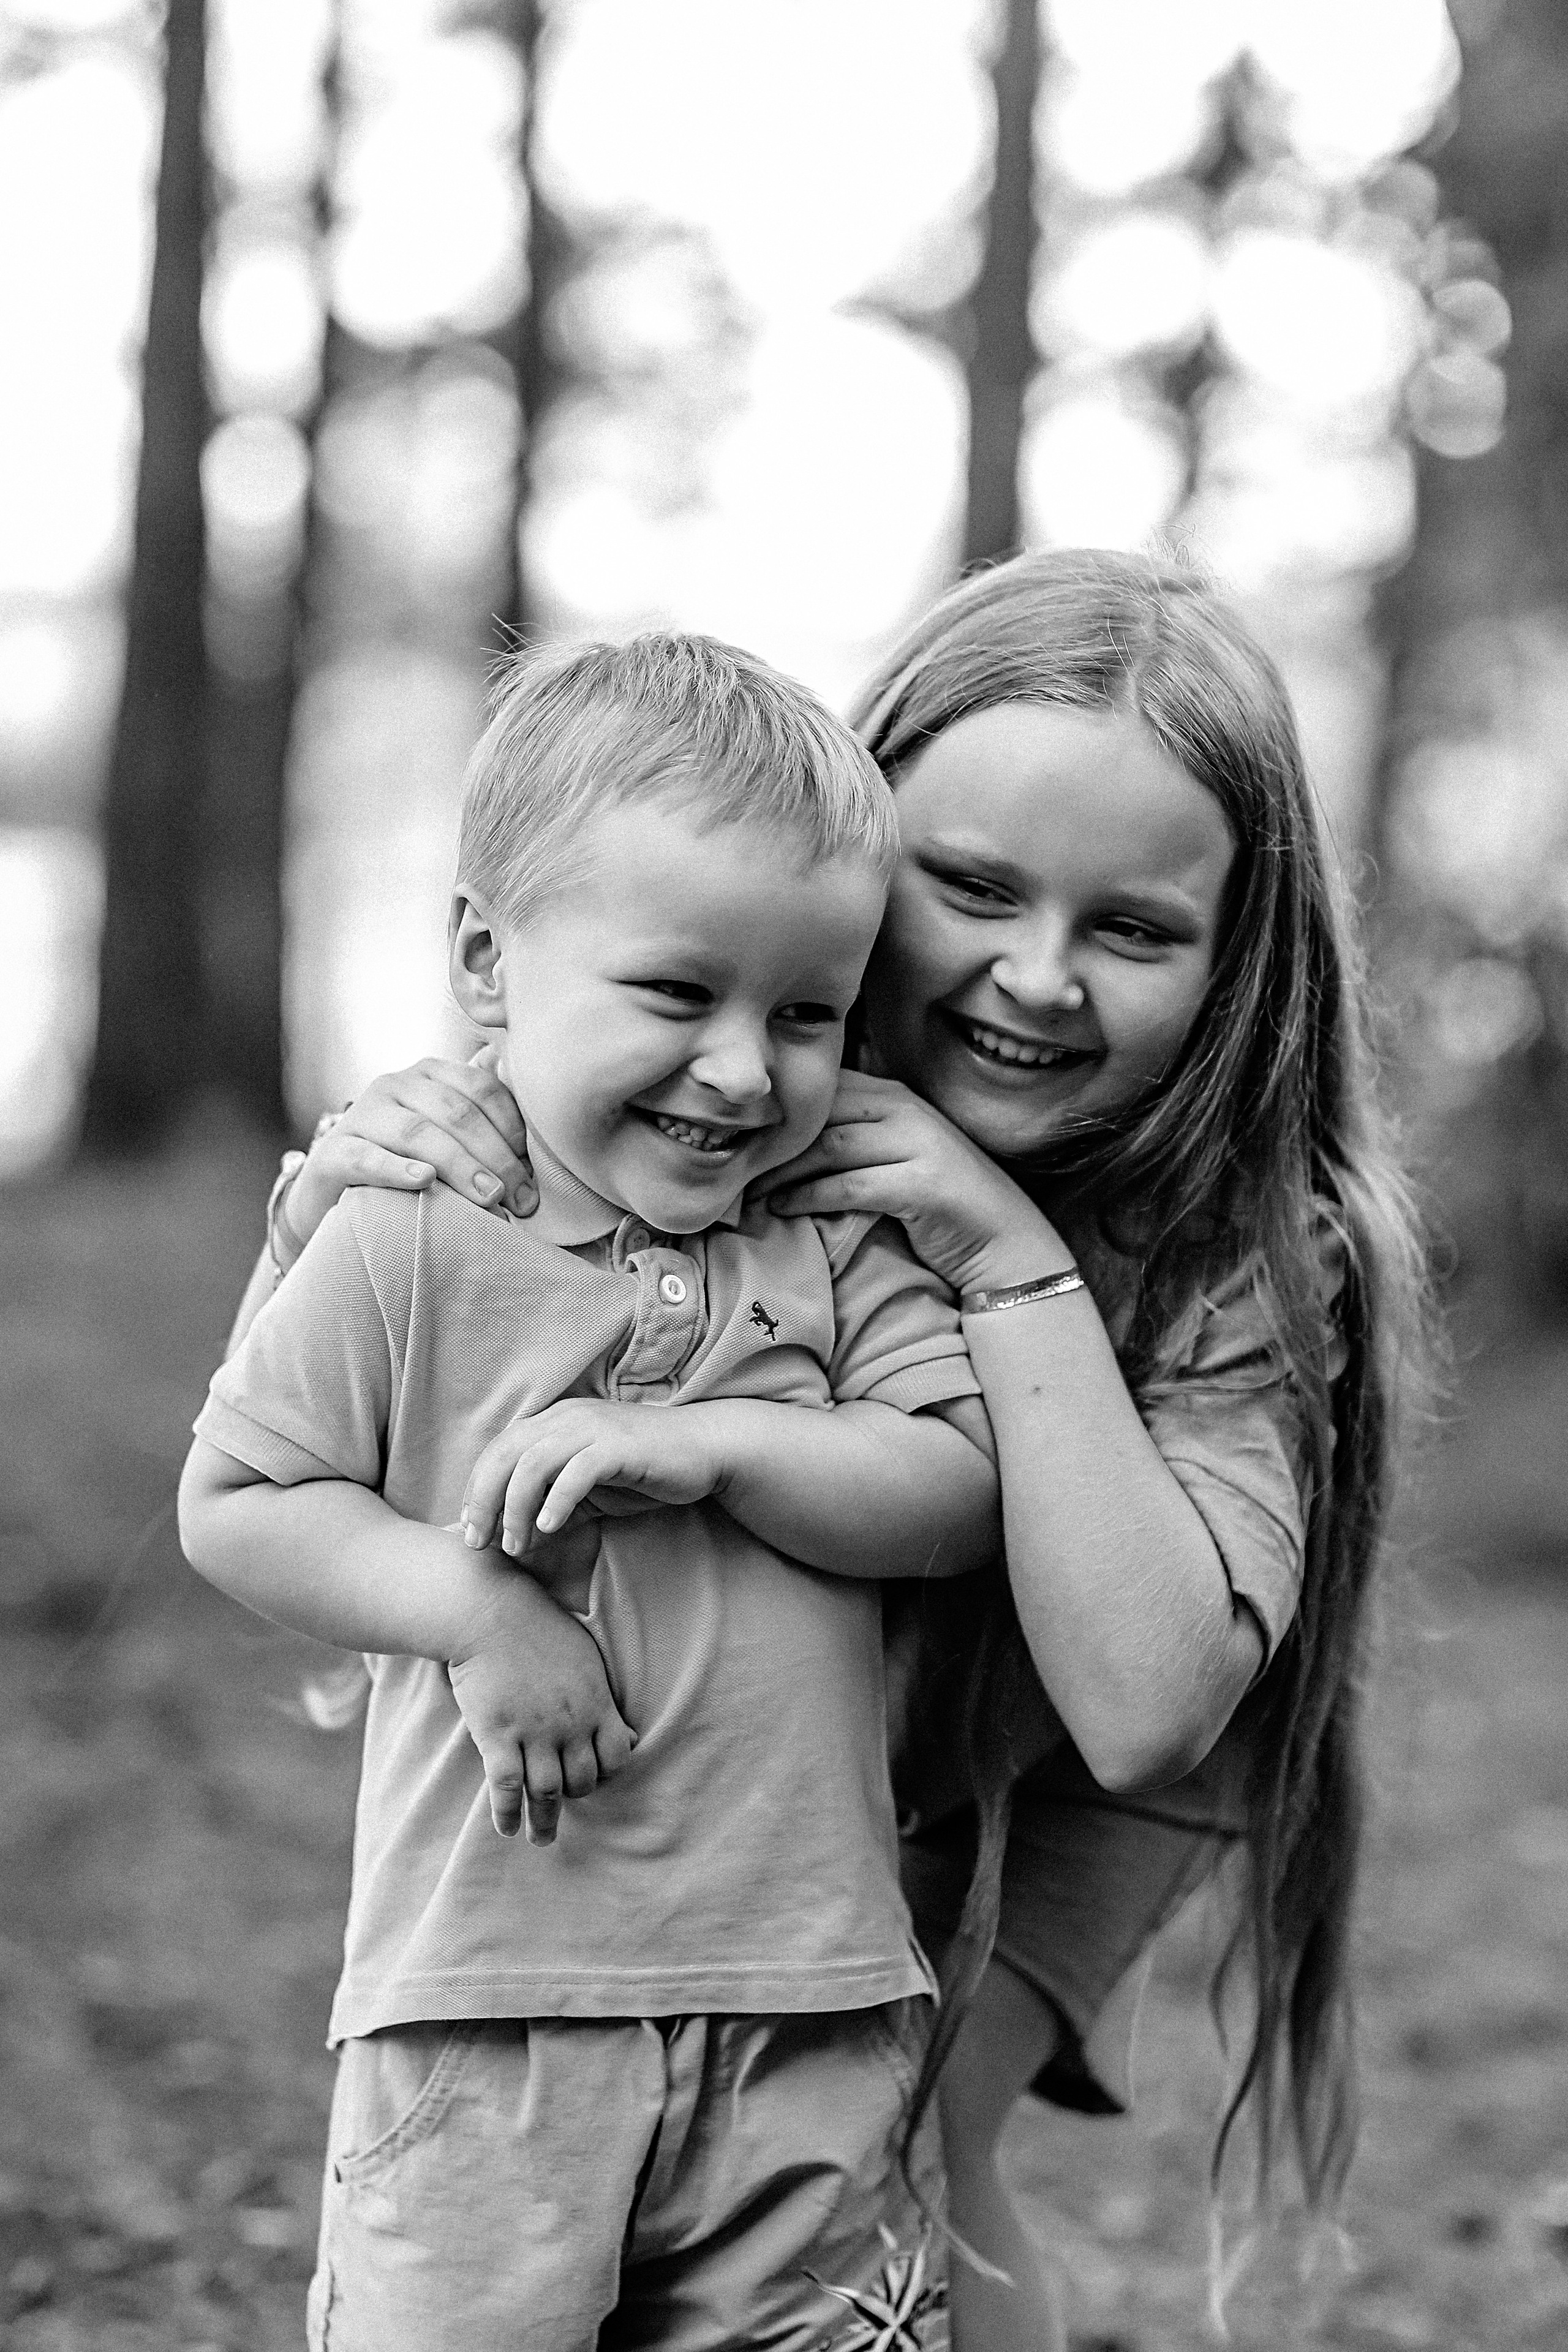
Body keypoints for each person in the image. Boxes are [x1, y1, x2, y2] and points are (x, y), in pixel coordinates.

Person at [261, 553, 1425, 2352]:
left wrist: (1002, 1256)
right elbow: (361, 1425)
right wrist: (345, 1196)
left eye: (1133, 929)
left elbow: (1141, 1700)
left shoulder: (1247, 1250)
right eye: (967, 887)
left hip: (1084, 1716)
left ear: (1237, 951)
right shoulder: (693, 1100)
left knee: (916, 2125)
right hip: (780, 1721)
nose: (1038, 980)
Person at [179, 633, 1001, 2352]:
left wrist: (718, 1444)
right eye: (674, 993)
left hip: (811, 2001)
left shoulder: (841, 1237)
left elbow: (951, 1490)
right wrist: (475, 1612)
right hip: (489, 2005)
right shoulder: (412, 1230)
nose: (742, 1073)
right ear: (488, 960)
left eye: (807, 1015)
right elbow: (244, 1499)